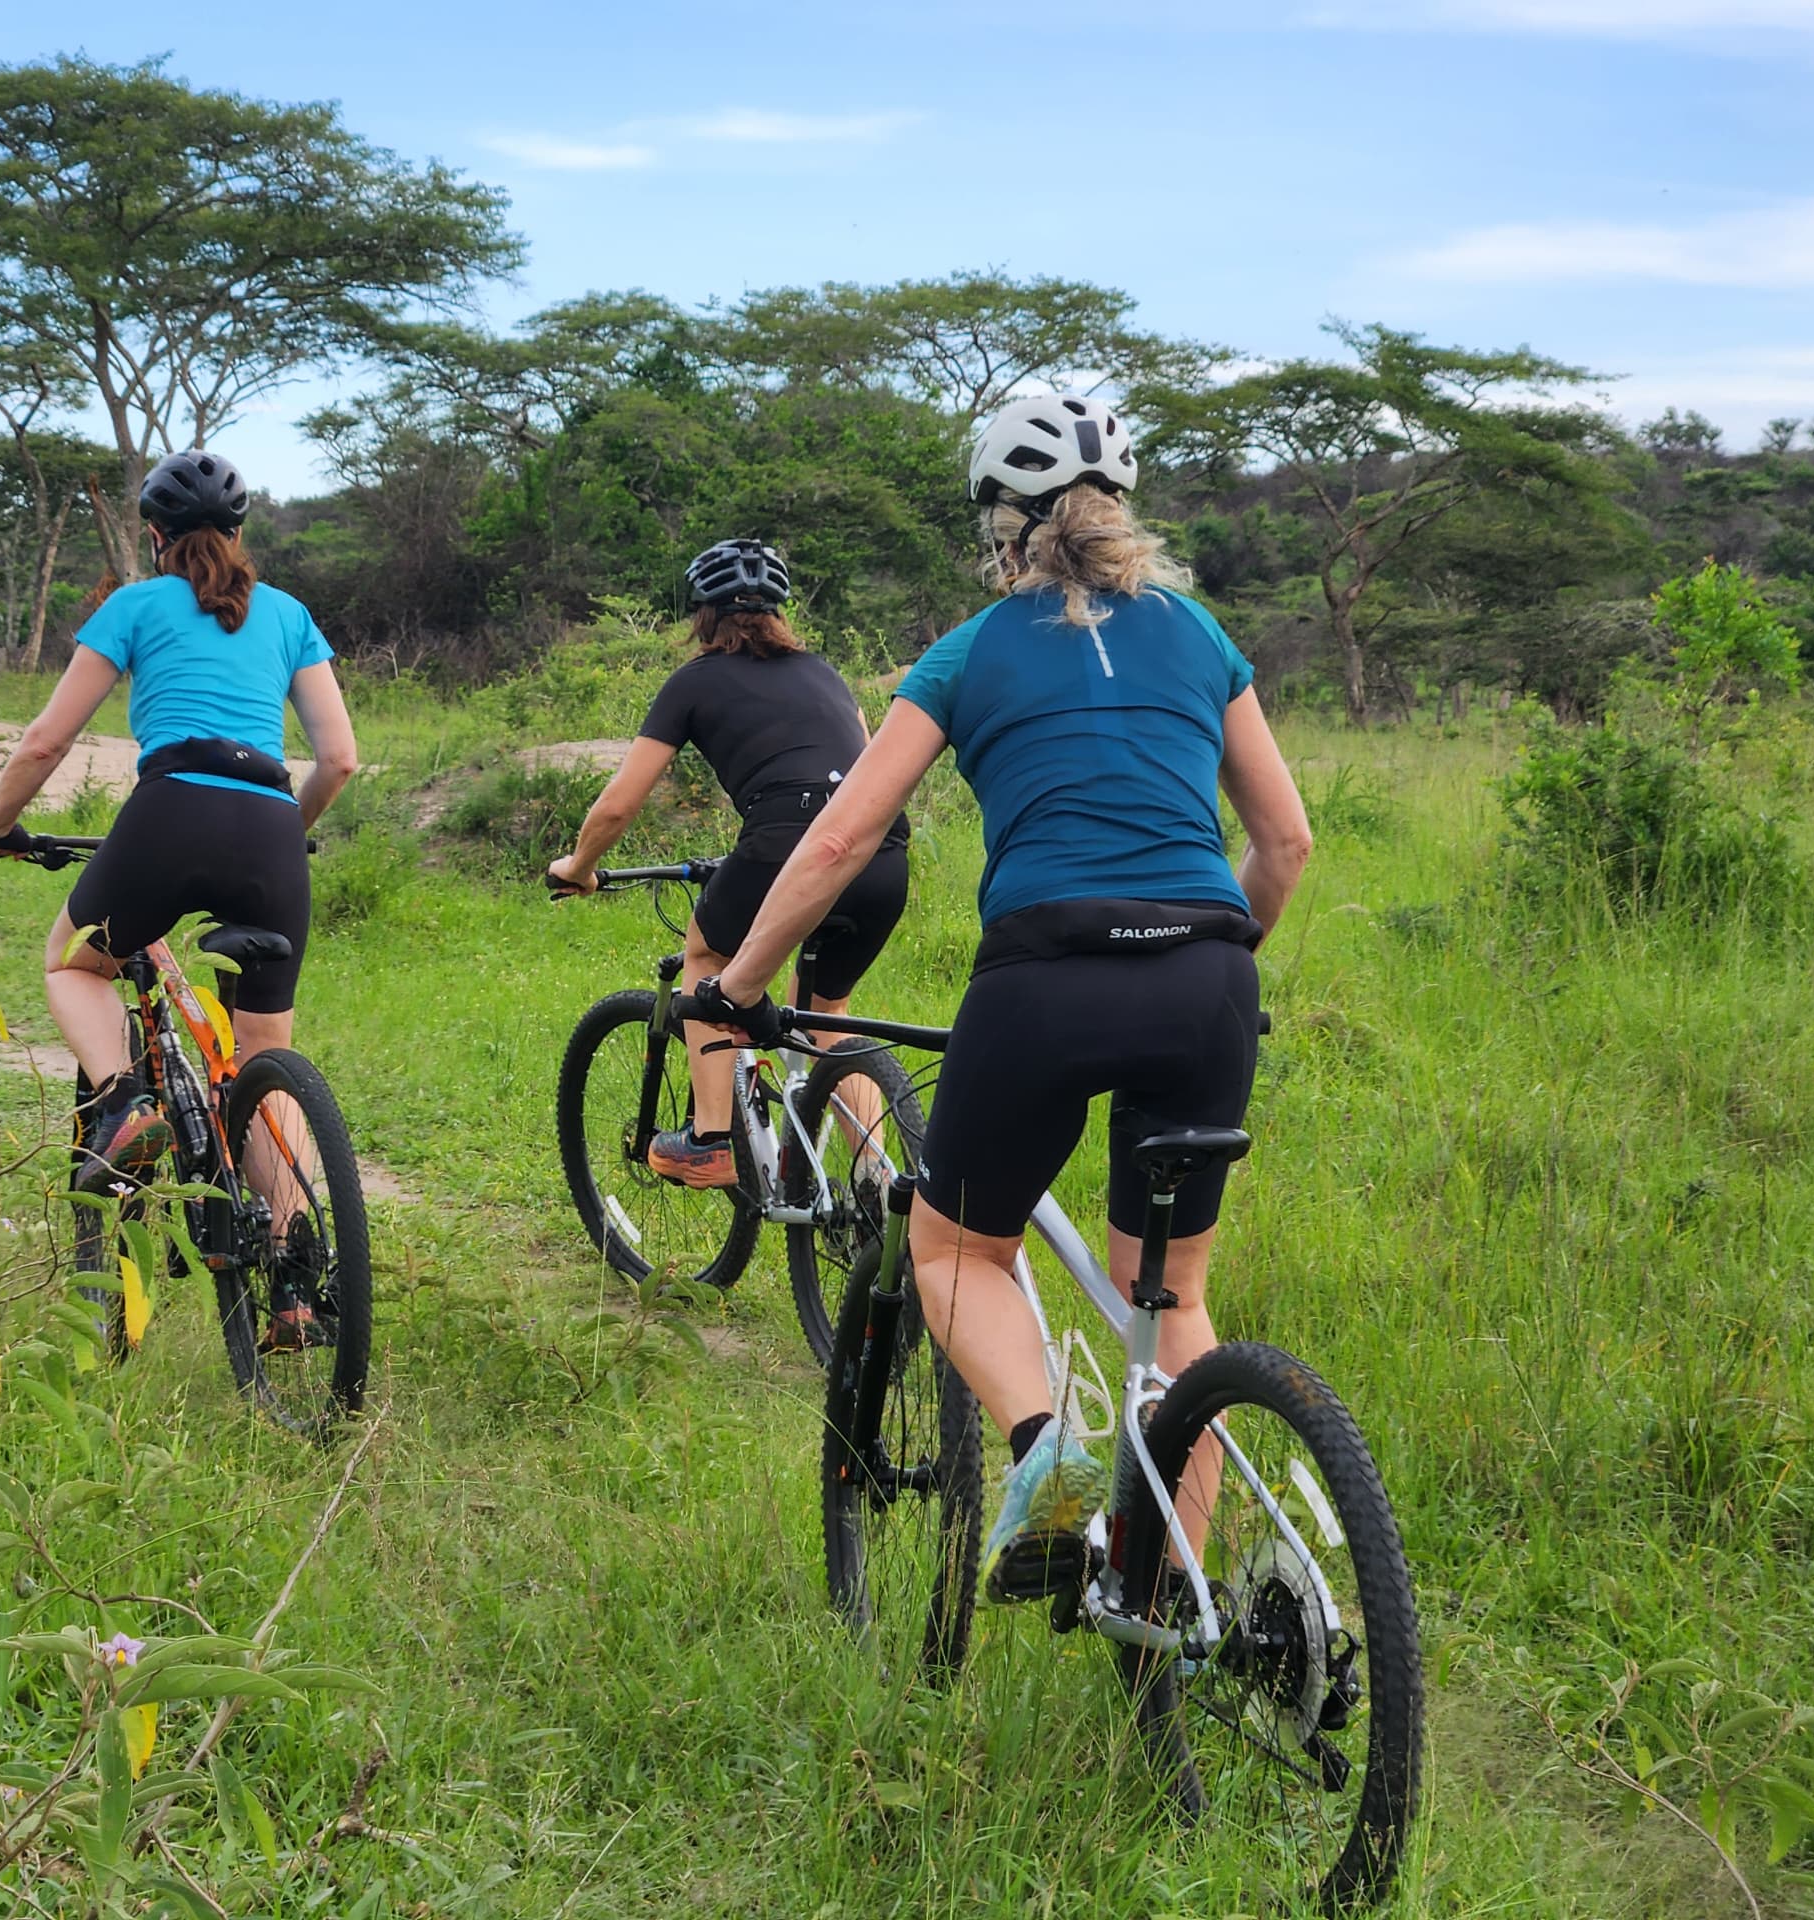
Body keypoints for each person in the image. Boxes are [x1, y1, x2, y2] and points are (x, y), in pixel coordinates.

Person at [693, 396, 1313, 1602]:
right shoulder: (1195, 633)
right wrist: (1217, 973)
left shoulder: (969, 649)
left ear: (1000, 525)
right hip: (1208, 973)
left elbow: (835, 844)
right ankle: (1171, 1591)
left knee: (961, 1247)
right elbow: (1283, 842)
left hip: (1045, 976)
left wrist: (738, 982)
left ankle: (1053, 1466)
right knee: (1173, 1295)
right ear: (1121, 508)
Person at [0, 449, 360, 1191]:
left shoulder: (135, 606)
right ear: (238, 534)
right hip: (272, 829)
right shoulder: (289, 615)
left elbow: (47, 740)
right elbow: (338, 759)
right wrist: (285, 825)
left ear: (154, 535)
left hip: (170, 810)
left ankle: (123, 1102)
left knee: (71, 965)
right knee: (265, 1057)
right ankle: (299, 1281)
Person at [547, 538, 911, 1187]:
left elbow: (619, 804)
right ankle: (878, 1187)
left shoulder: (694, 680)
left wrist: (579, 864)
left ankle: (711, 1139)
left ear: (703, 615)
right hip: (881, 848)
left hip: (786, 839)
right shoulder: (824, 672)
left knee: (707, 959)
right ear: (779, 610)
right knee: (826, 1016)